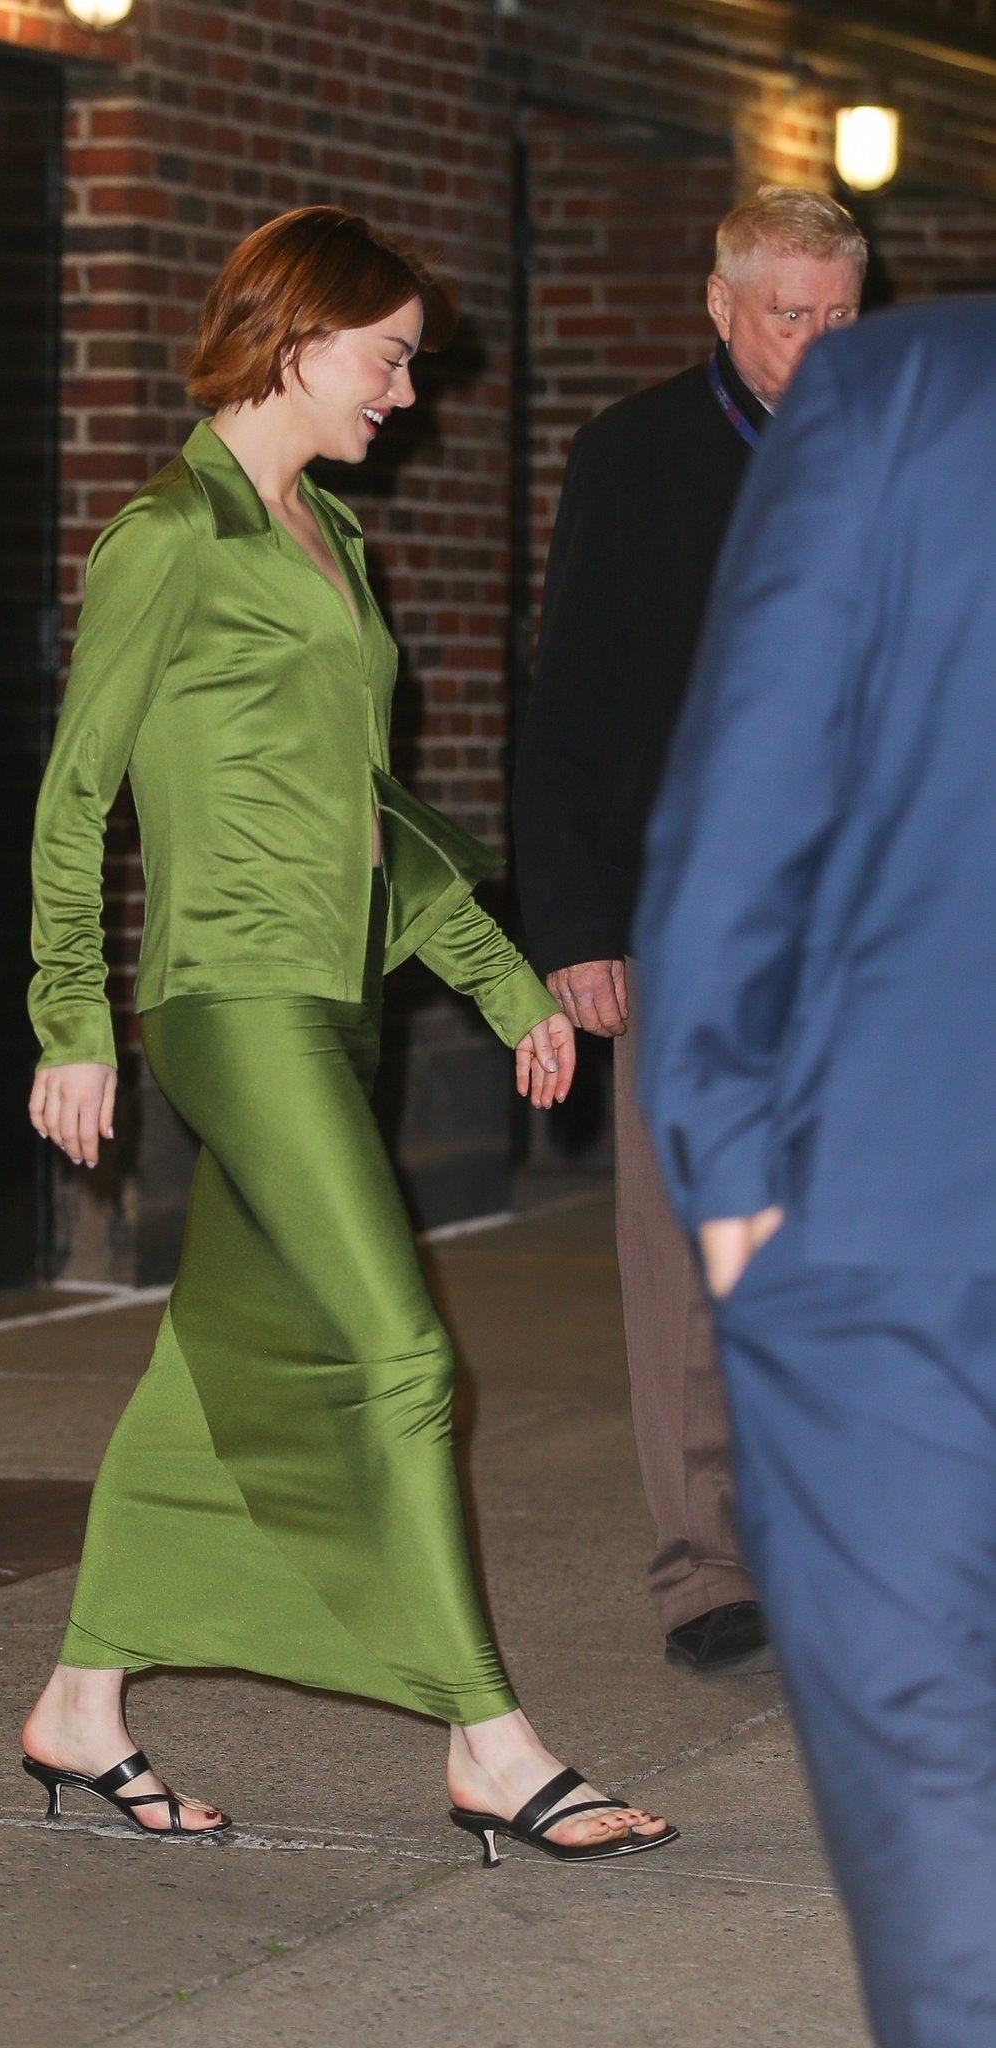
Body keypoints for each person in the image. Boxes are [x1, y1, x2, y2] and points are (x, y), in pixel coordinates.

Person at [18, 207, 676, 1868]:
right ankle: (487, 1740)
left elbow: (369, 812)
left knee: (211, 1372)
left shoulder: (331, 536)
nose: (405, 393)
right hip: (228, 1002)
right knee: (402, 1357)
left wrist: (504, 980)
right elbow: (75, 792)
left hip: (335, 1003)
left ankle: (79, 1707)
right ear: (298, 338)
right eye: (387, 359)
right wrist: (70, 1018)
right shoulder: (168, 536)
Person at [635, 295, 996, 2047]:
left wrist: (726, 1178)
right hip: (891, 1239)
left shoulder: (898, 392)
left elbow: (743, 795)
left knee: (946, 1864)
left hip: (893, 1239)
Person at [512, 186, 866, 1672]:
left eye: (843, 315)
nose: (822, 343)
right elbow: (570, 704)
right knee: (686, 1255)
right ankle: (705, 1567)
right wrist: (573, 923)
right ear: (720, 306)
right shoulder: (634, 456)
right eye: (792, 316)